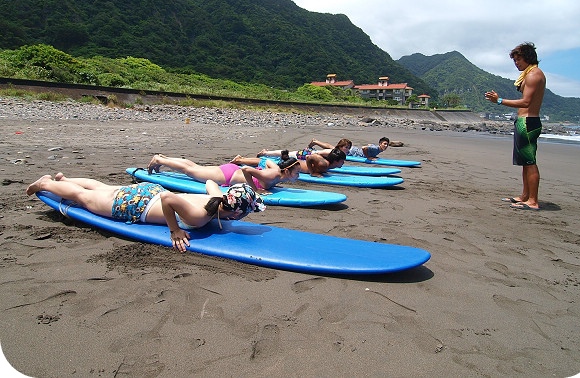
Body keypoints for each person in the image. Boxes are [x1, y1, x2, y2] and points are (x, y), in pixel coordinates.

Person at [26, 173, 265, 252]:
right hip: (137, 204)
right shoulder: (198, 216)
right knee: (85, 198)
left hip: (148, 190)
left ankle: (64, 179)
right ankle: (46, 183)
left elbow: (212, 181)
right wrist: (175, 230)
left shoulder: (216, 196)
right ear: (235, 214)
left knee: (103, 188)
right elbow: (167, 199)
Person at [485, 42, 546, 210]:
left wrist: (498, 100)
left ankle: (533, 201)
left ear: (528, 58)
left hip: (528, 122)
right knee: (525, 162)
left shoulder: (534, 75)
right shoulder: (529, 74)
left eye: (519, 59)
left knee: (530, 162)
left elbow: (526, 101)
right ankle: (525, 195)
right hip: (524, 122)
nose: (516, 63)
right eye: (515, 60)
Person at [146, 153, 301, 194]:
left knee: (195, 167)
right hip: (227, 176)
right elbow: (247, 170)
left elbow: (266, 160)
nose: (298, 176)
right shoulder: (273, 176)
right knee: (190, 170)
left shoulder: (275, 171)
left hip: (230, 171)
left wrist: (242, 160)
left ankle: (164, 159)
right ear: (287, 171)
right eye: (297, 172)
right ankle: (159, 160)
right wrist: (256, 189)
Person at [233, 147, 347, 177]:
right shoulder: (324, 165)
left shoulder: (326, 165)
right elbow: (309, 157)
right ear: (336, 161)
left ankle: (242, 159)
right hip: (293, 164)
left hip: (294, 163)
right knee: (264, 162)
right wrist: (313, 172)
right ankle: (240, 160)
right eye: (342, 161)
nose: (343, 164)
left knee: (267, 161)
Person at [257, 138, 352, 159]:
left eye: (348, 148)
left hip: (310, 152)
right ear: (340, 147)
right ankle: (265, 153)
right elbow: (320, 153)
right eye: (345, 147)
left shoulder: (338, 152)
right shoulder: (332, 151)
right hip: (308, 154)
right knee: (288, 154)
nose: (347, 149)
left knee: (289, 154)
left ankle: (267, 153)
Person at [312, 137, 390, 160]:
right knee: (332, 149)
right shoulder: (376, 148)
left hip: (354, 150)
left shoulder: (377, 148)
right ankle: (316, 142)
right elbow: (364, 148)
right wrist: (368, 157)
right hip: (352, 152)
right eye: (384, 144)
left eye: (387, 144)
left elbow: (369, 145)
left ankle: (316, 142)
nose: (386, 146)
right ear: (380, 144)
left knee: (332, 147)